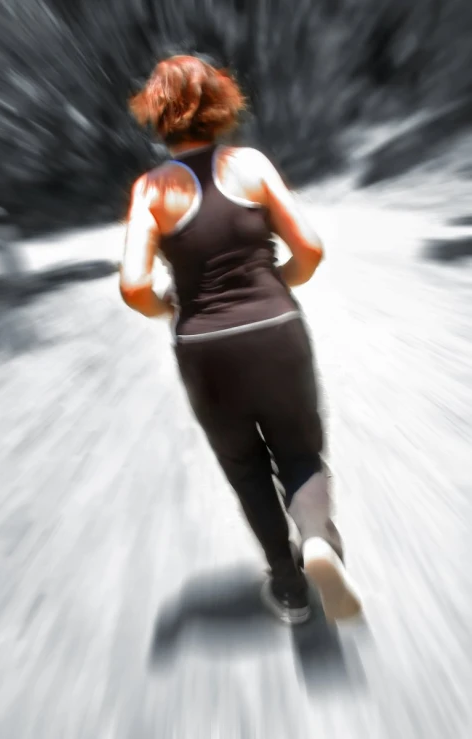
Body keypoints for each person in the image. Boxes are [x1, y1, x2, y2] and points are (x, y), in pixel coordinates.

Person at [119, 54, 362, 625]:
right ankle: (317, 541)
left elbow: (133, 286)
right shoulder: (249, 165)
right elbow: (310, 249)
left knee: (245, 466)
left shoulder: (151, 190)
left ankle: (289, 587)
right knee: (299, 451)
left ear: (158, 115)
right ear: (221, 105)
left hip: (205, 348)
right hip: (276, 330)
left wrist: (172, 308)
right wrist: (277, 284)